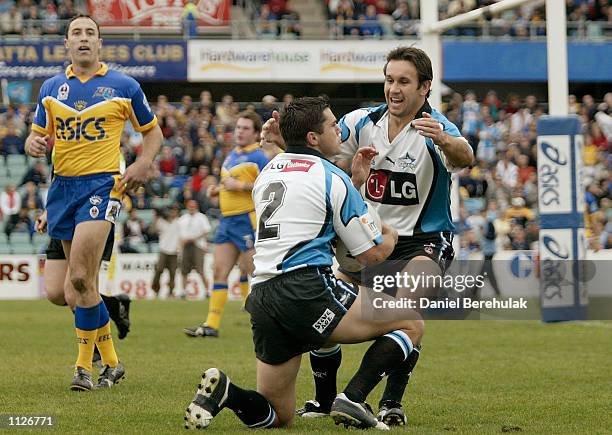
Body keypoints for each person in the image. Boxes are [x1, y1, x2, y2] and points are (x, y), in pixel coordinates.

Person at [260, 47, 474, 426]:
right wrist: (286, 139)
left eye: (404, 81)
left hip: (422, 241)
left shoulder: (434, 127)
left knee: (404, 312)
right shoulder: (362, 120)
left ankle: (383, 401)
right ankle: (325, 402)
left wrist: (444, 141)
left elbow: (465, 155)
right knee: (324, 322)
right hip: (368, 240)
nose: (394, 89)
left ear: (425, 88)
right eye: (390, 79)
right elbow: (320, 144)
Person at [184, 96, 425, 431]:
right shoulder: (331, 177)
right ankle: (353, 398)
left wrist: (354, 182)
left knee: (278, 415)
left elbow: (307, 197)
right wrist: (392, 235)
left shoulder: (269, 171)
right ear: (313, 138)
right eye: (331, 125)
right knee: (411, 323)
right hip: (305, 287)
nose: (338, 130)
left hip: (263, 296)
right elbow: (368, 255)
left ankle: (227, 393)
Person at [24, 14, 162, 391]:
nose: (83, 39)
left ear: (100, 43)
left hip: (103, 188)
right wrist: (33, 143)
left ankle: (83, 368)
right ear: (66, 44)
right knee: (72, 290)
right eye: (76, 33)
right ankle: (113, 363)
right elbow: (36, 138)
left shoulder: (124, 86)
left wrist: (143, 162)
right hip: (62, 190)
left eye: (90, 33)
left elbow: (153, 133)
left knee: (82, 278)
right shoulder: (51, 89)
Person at [183, 112, 270, 338]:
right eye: (238, 127)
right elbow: (228, 183)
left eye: (246, 128)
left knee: (256, 272)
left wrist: (239, 185)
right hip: (227, 220)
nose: (240, 131)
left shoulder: (260, 157)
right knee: (219, 271)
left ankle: (274, 319)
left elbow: (269, 187)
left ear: (255, 133)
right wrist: (218, 189)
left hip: (246, 219)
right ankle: (211, 324)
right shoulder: (231, 155)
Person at [177, 200, 211, 298]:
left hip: (198, 245)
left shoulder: (201, 217)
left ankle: (207, 291)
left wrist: (194, 238)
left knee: (200, 269)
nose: (191, 208)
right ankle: (183, 291)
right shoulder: (183, 218)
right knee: (184, 270)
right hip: (186, 245)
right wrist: (180, 245)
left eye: (193, 206)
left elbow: (206, 231)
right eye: (190, 206)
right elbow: (180, 234)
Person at [151, 206, 181, 298]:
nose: (173, 213)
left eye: (175, 211)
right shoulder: (161, 221)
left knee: (172, 273)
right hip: (163, 250)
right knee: (158, 270)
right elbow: (152, 231)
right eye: (171, 211)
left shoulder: (179, 222)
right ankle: (156, 290)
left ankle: (171, 292)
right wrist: (155, 219)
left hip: (174, 251)